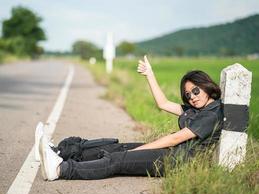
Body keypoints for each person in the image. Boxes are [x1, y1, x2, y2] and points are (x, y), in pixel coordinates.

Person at [38, 55, 223, 181]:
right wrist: (149, 74)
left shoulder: (212, 113)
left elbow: (176, 138)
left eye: (196, 90)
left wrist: (139, 150)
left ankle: (60, 170)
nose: (192, 97)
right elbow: (163, 104)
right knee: (119, 147)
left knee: (118, 159)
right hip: (171, 152)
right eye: (188, 94)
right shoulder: (196, 109)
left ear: (206, 86)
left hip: (178, 162)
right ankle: (60, 153)